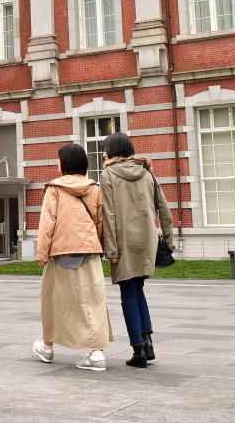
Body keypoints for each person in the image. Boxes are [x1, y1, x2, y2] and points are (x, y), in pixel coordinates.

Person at [32, 144, 112, 370]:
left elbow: (47, 224)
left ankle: (47, 348)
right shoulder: (94, 188)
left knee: (54, 301)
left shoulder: (53, 189)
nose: (56, 164)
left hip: (60, 252)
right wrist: (97, 246)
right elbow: (99, 222)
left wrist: (42, 254)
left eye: (58, 160)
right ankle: (96, 353)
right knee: (93, 301)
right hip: (89, 250)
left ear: (65, 163)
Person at [100, 132, 174, 369]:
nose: (103, 153)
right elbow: (164, 208)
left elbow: (109, 215)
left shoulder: (108, 175)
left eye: (105, 149)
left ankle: (138, 350)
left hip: (123, 243)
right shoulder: (147, 172)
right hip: (147, 240)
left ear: (111, 152)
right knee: (138, 289)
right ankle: (147, 341)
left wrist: (111, 250)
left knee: (128, 293)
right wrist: (169, 242)